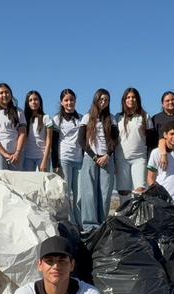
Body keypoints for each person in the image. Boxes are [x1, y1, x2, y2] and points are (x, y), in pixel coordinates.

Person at [78, 88, 118, 232]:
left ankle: (102, 225)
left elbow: (115, 140)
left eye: (106, 100)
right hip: (90, 158)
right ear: (96, 100)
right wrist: (94, 156)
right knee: (88, 192)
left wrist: (107, 155)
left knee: (105, 193)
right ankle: (89, 226)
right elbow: (81, 140)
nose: (103, 102)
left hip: (107, 158)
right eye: (101, 99)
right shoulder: (87, 117)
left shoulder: (112, 118)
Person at [113, 87, 152, 197]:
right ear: (124, 100)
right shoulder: (118, 117)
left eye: (134, 97)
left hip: (139, 158)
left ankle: (139, 215)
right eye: (128, 97)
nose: (131, 99)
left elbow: (150, 140)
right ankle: (124, 214)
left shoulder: (145, 116)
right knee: (124, 192)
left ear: (138, 99)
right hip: (121, 158)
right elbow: (113, 139)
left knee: (140, 191)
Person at [52, 89, 84, 222]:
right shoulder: (56, 119)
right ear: (61, 102)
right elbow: (53, 143)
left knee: (80, 194)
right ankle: (70, 223)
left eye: (71, 100)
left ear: (75, 101)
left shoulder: (81, 118)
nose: (69, 102)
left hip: (79, 160)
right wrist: (56, 164)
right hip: (64, 159)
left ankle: (80, 224)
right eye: (66, 100)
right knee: (65, 194)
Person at [0, 83, 25, 171]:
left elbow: (22, 133)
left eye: (7, 92)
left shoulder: (19, 111)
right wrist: (4, 153)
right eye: (1, 93)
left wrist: (17, 152)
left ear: (11, 94)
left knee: (15, 181)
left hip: (15, 153)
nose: (4, 95)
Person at [146, 125, 174, 206]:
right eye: (172, 134)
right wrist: (157, 196)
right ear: (165, 135)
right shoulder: (156, 152)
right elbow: (150, 178)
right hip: (162, 200)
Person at [19, 91, 54, 172]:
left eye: (36, 99)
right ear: (27, 103)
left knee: (43, 183)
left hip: (42, 156)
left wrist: (45, 160)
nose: (33, 102)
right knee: (28, 183)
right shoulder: (23, 119)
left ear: (40, 101)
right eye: (30, 100)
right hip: (27, 157)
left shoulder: (46, 118)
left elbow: (49, 140)